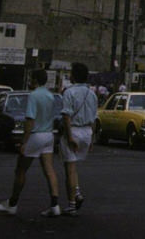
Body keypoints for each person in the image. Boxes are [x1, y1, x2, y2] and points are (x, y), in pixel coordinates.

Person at [0, 68, 63, 217]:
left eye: (32, 79)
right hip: (48, 134)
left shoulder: (34, 96)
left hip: (36, 135)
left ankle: (12, 203)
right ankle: (55, 204)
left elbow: (30, 120)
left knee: (20, 170)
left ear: (35, 80)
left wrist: (24, 141)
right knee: (49, 170)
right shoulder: (51, 96)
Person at [59, 62, 99, 215]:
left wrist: (69, 136)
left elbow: (66, 116)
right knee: (74, 167)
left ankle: (72, 202)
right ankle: (76, 193)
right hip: (87, 132)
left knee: (69, 169)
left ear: (74, 75)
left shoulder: (69, 92)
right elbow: (95, 118)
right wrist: (92, 139)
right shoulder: (92, 94)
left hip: (73, 131)